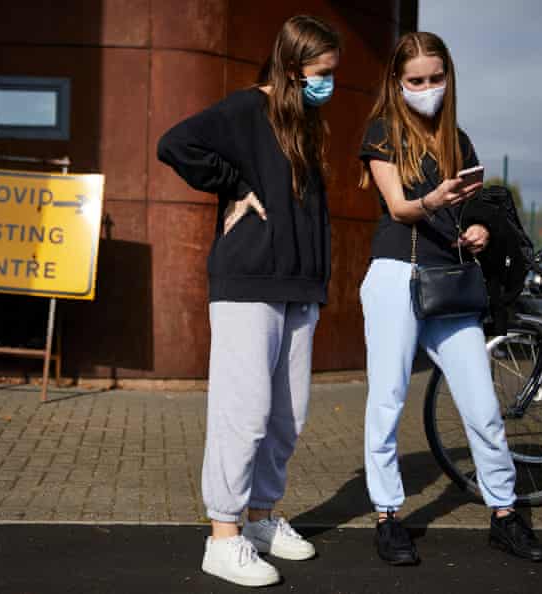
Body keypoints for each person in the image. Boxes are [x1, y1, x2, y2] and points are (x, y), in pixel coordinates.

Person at [157, 15, 340, 588]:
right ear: (291, 68)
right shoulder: (245, 108)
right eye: (319, 73)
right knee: (245, 411)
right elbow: (174, 144)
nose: (326, 84)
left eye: (332, 74)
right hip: (249, 281)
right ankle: (224, 535)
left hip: (297, 287)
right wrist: (234, 185)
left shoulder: (305, 123)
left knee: (288, 415)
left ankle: (260, 519)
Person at [358, 31, 542, 566]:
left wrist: (478, 232)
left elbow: (467, 211)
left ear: (449, 77)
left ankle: (505, 514)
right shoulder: (381, 132)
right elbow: (398, 207)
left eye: (435, 78)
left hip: (450, 278)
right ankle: (388, 515)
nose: (426, 88)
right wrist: (434, 199)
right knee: (388, 398)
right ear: (397, 83)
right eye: (415, 80)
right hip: (397, 273)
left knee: (483, 406)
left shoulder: (457, 139)